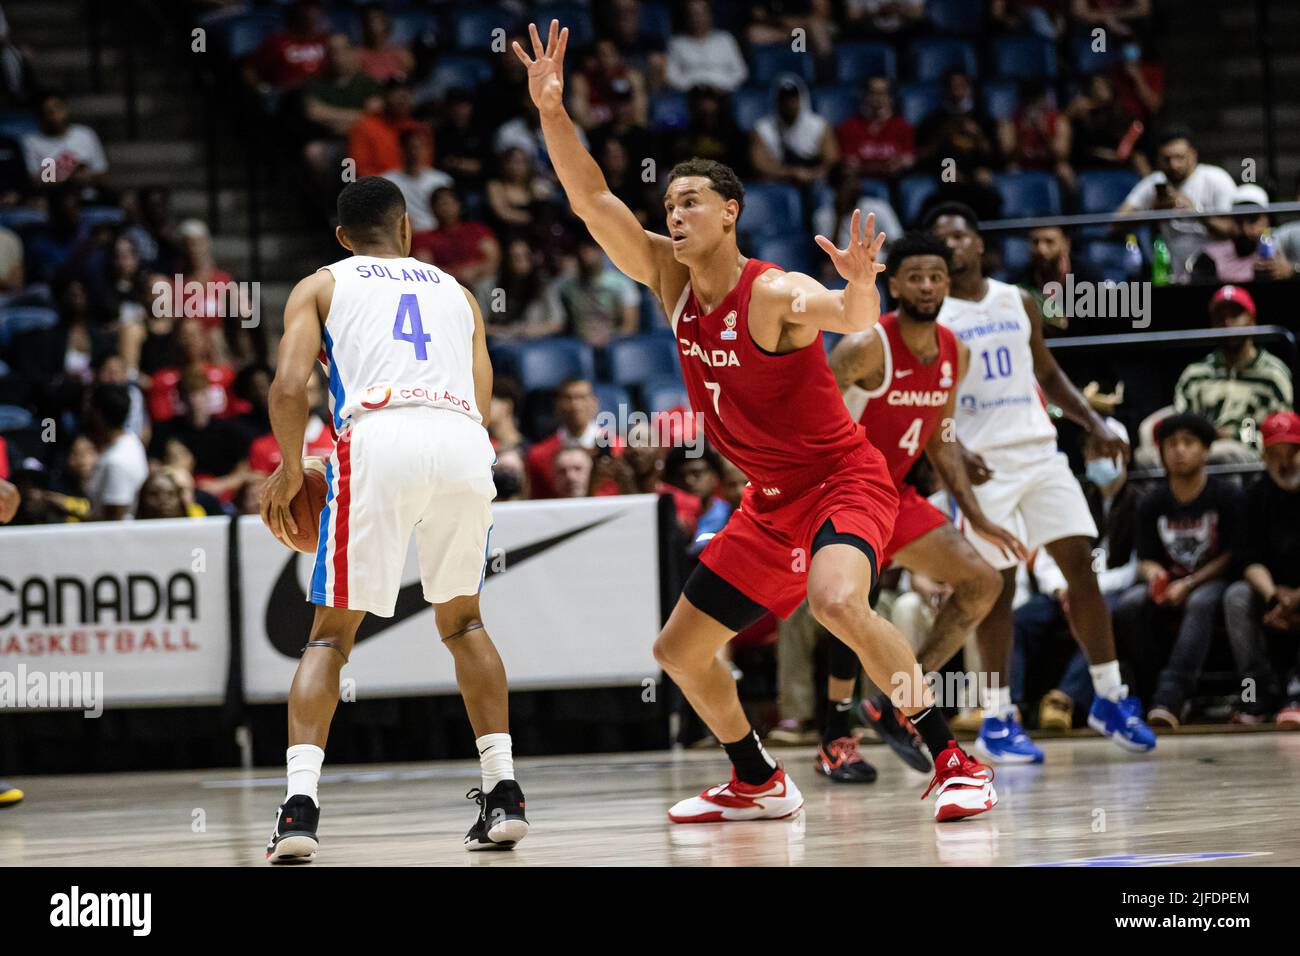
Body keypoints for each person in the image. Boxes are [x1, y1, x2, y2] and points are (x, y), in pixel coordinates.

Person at [518, 19, 995, 822]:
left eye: (692, 201)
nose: (675, 214)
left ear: (731, 212)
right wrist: (553, 112)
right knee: (677, 651)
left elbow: (846, 313)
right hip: (769, 501)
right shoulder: (667, 279)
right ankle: (758, 779)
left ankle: (953, 758)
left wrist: (859, 287)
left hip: (844, 480)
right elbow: (590, 198)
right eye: (669, 203)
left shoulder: (770, 290)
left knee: (838, 601)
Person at [258, 176, 527, 860]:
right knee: (464, 620)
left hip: (378, 436)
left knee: (329, 638)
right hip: (464, 440)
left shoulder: (321, 284)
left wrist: (294, 469)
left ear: (343, 238)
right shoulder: (458, 293)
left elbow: (290, 386)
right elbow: (483, 395)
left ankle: (299, 810)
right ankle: (503, 795)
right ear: (406, 230)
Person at [927, 201, 1156, 760]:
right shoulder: (932, 319)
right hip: (984, 467)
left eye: (960, 237)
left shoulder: (1017, 300)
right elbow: (929, 404)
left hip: (1040, 452)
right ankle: (999, 718)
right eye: (942, 241)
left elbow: (1047, 372)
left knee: (1080, 564)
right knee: (997, 585)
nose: (952, 247)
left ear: (979, 244)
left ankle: (1109, 697)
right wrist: (957, 450)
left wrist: (1095, 422)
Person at [828, 232, 1025, 778]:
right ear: (893, 284)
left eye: (936, 275)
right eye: (914, 275)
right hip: (842, 495)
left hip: (895, 497)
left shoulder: (953, 351)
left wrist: (977, 515)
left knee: (984, 582)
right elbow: (810, 404)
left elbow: (940, 438)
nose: (927, 285)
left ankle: (897, 702)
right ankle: (832, 736)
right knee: (846, 612)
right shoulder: (866, 344)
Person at [1116, 412, 1243, 727]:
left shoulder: (1225, 494)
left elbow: (1231, 555)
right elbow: (1145, 557)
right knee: (1130, 604)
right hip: (1171, 583)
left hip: (1213, 580)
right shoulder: (1151, 501)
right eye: (1171, 444)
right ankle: (1147, 692)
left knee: (1200, 603)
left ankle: (1171, 698)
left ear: (1205, 450)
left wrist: (1188, 583)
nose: (1179, 450)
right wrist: (1157, 577)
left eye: (1188, 442)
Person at [1225, 411, 1300, 726]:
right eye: (1274, 454)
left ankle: (1297, 693)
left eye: (1292, 452)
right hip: (1270, 589)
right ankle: (1254, 694)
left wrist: (1297, 597)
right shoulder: (1254, 494)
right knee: (1235, 596)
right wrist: (1273, 597)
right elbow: (1246, 557)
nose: (1284, 463)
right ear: (1264, 456)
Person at [1171, 284, 1293, 463]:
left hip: (1251, 454)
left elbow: (1281, 433)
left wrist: (1235, 436)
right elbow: (1180, 423)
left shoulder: (1272, 374)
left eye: (1235, 315)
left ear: (1252, 320)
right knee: (1146, 458)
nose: (1227, 323)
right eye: (1220, 318)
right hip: (1197, 450)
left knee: (1225, 453)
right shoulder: (1196, 373)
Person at [1117, 126, 1235, 283]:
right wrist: (1154, 212)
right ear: (1158, 159)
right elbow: (1115, 224)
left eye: (1180, 157)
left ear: (1193, 155)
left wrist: (1196, 213)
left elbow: (1233, 231)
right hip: (1173, 276)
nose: (1173, 165)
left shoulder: (1216, 179)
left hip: (1217, 274)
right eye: (1166, 159)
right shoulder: (1156, 183)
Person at [85, 383, 149, 520]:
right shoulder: (131, 439)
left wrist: (67, 509)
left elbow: (112, 522)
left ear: (98, 414)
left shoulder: (116, 461)